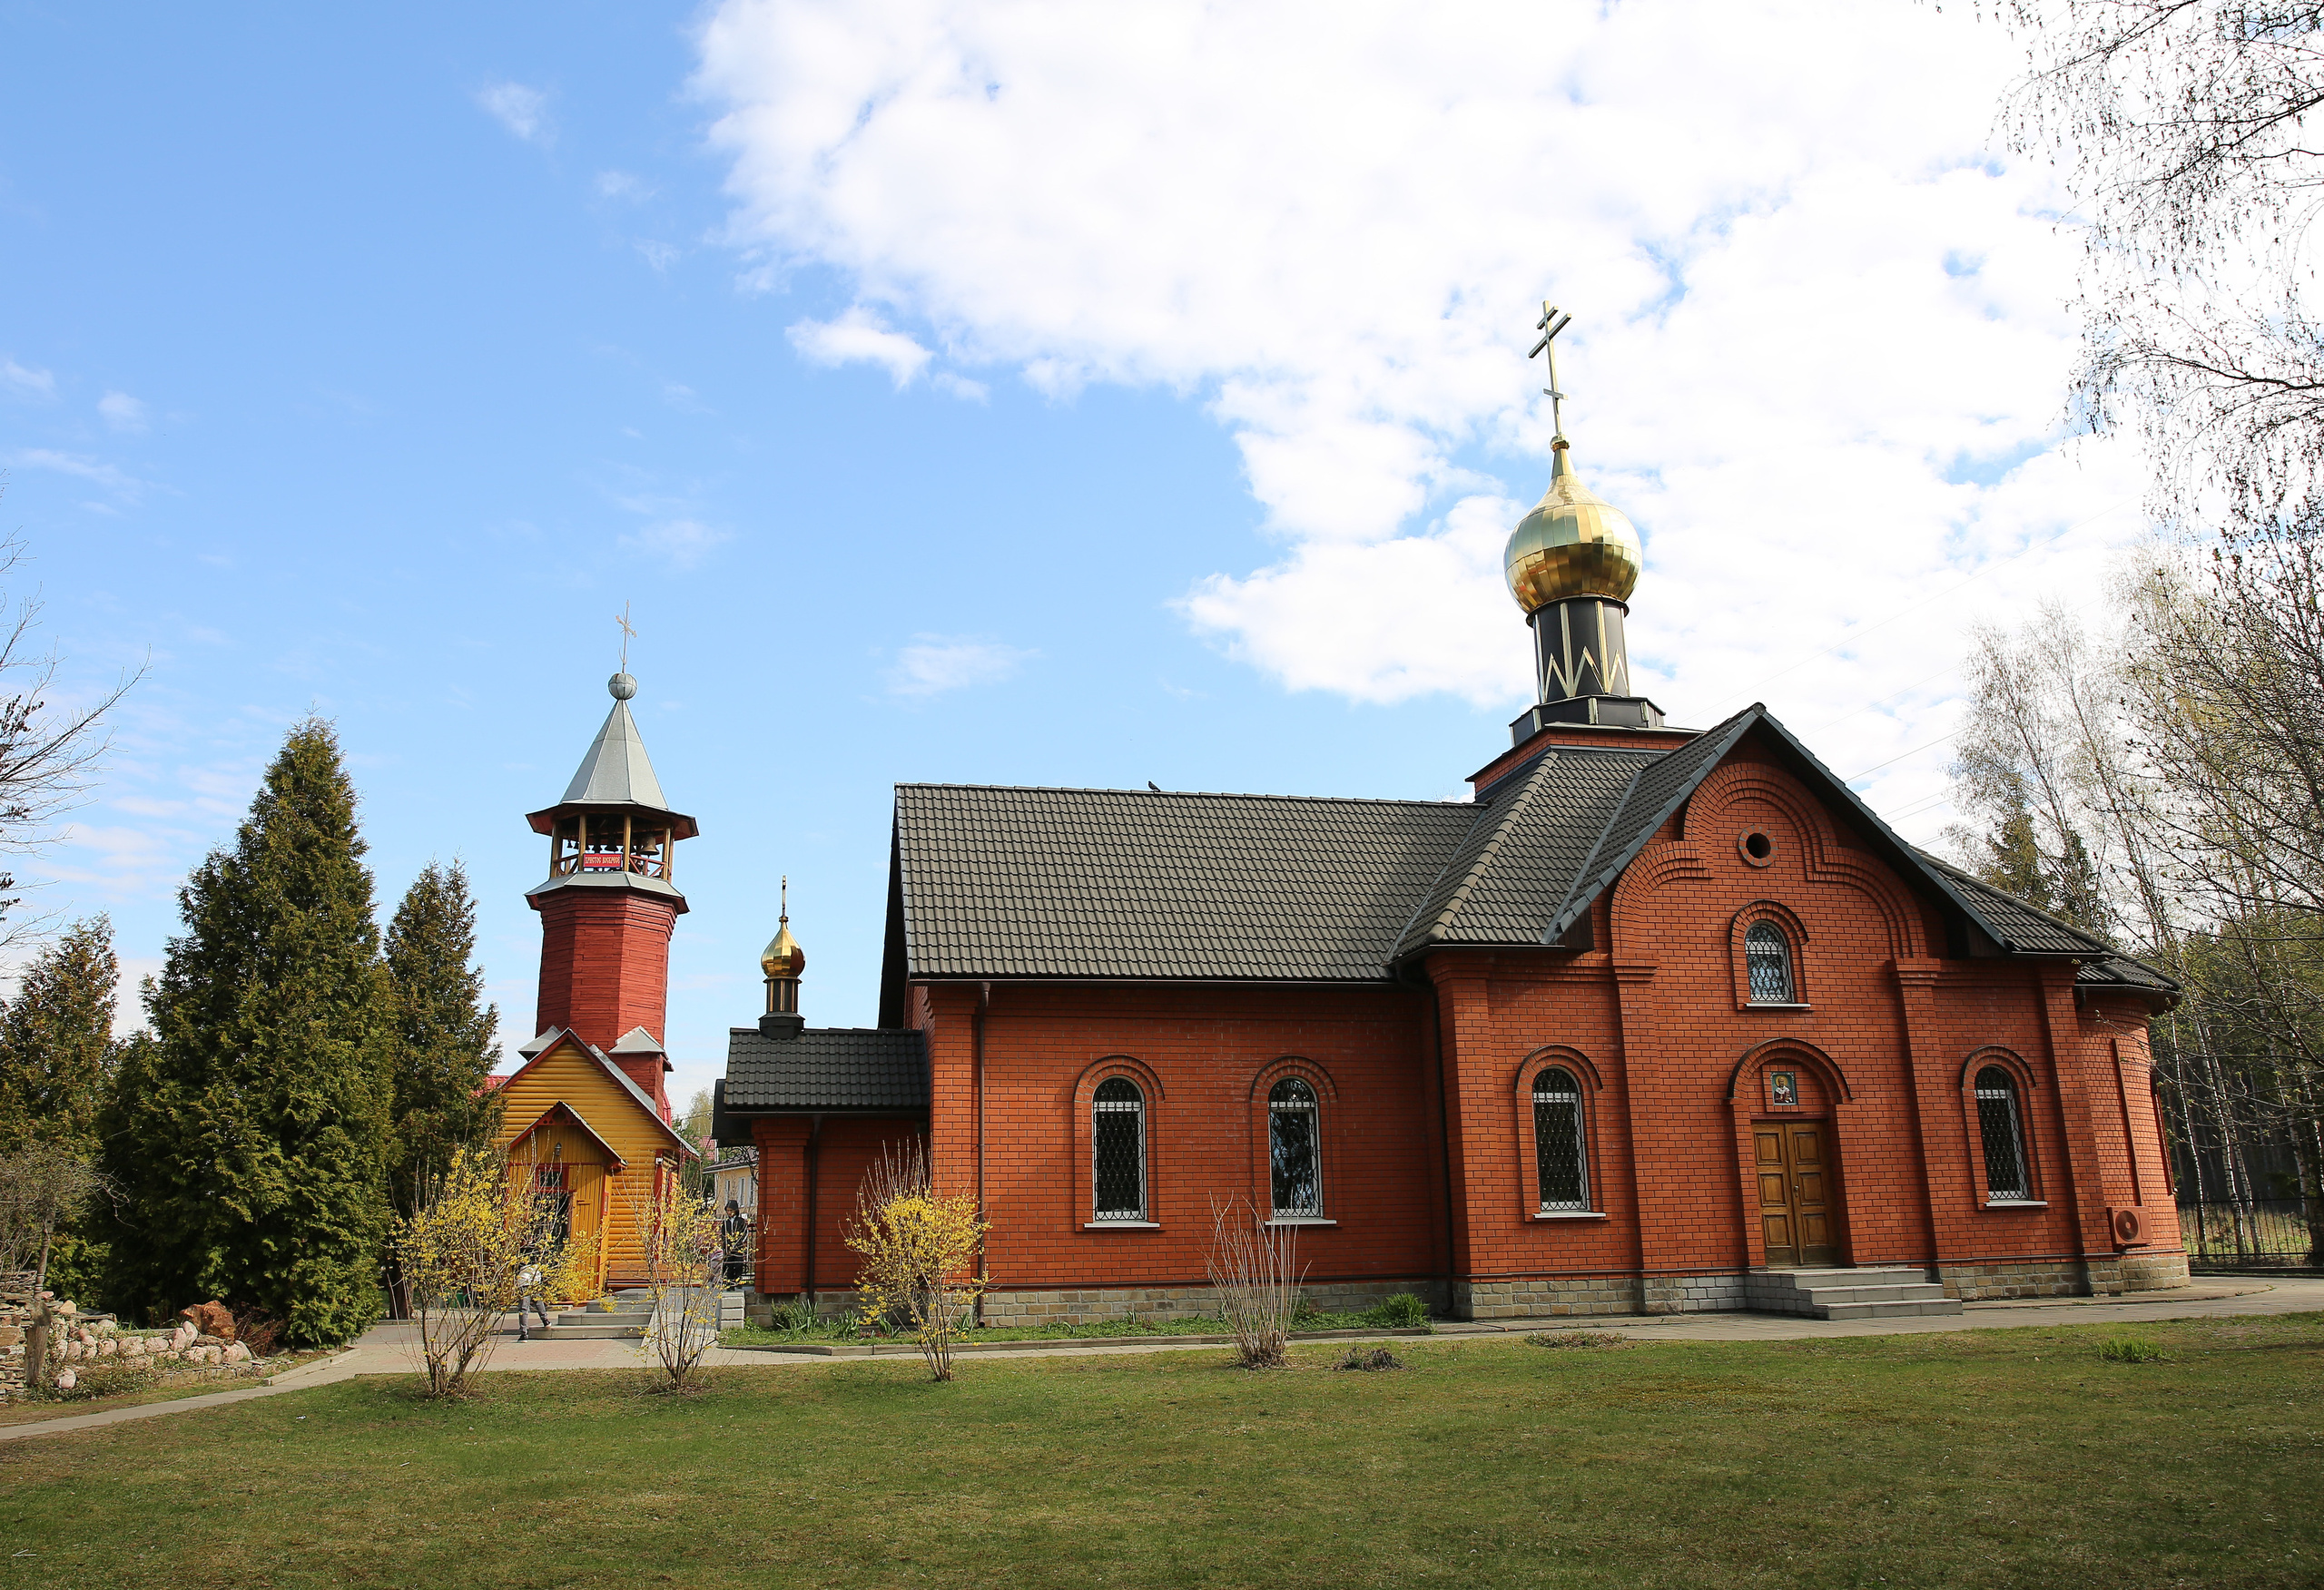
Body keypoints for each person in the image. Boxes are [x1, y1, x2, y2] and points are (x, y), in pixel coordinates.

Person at [517, 1261, 551, 1341]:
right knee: (538, 1301)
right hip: (535, 1278)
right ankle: (545, 1320)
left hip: (524, 1279)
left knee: (524, 1308)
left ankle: (523, 1334)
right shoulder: (537, 1258)